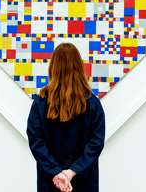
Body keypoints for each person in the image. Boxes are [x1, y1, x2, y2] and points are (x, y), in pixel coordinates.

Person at [26, 43, 106, 192]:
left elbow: (36, 140)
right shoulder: (93, 103)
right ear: (79, 67)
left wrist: (56, 172)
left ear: (53, 67)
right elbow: (96, 142)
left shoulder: (40, 102)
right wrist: (73, 171)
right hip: (84, 181)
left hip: (50, 182)